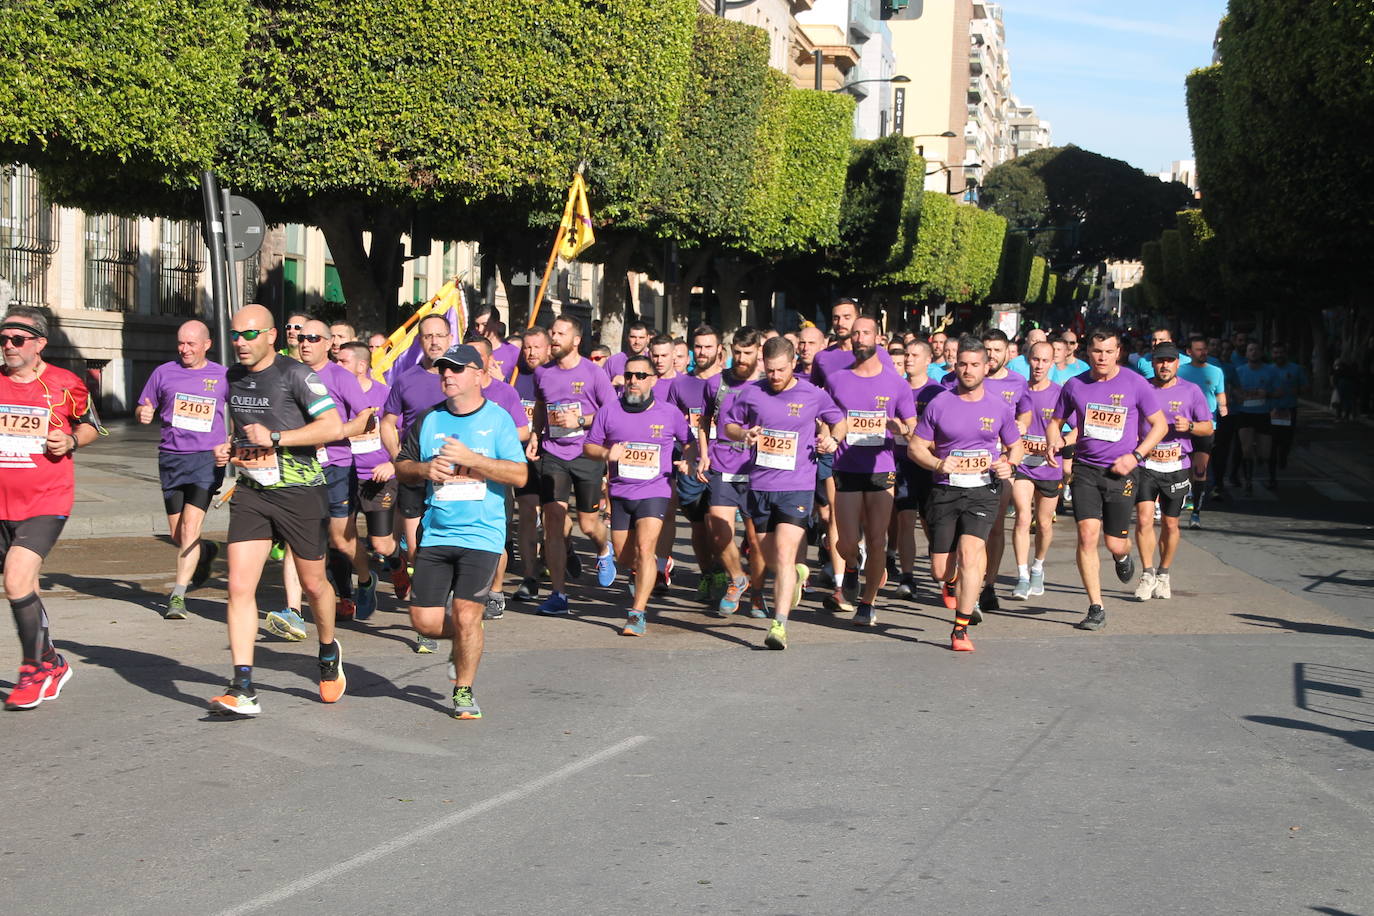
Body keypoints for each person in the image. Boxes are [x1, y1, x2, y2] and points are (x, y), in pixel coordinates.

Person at [209, 304, 345, 716]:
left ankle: (326, 649)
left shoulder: (296, 374)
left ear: (271, 336)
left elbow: (333, 427)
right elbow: (244, 427)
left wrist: (277, 437)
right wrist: (230, 448)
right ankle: (243, 686)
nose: (241, 343)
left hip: (301, 491)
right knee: (238, 586)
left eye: (250, 334)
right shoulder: (232, 377)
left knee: (315, 584)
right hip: (252, 491)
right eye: (235, 335)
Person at [395, 344, 527, 719]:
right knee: (424, 621)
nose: (447, 375)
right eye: (442, 370)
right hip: (437, 532)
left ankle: (463, 691)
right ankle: (465, 642)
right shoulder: (428, 420)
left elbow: (519, 474)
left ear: (478, 375)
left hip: (482, 534)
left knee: (468, 615)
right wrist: (424, 471)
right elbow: (402, 465)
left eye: (455, 369)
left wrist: (473, 461)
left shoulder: (498, 419)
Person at [1, 307, 100, 709]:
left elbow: (93, 424)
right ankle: (50, 660)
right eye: (3, 340)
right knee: (24, 585)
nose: (8, 346)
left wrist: (72, 441)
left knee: (16, 579)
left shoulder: (64, 384)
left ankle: (35, 670)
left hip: (46, 499)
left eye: (17, 340)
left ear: (39, 344)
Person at [723, 336, 847, 649]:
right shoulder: (751, 392)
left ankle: (778, 626)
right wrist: (745, 433)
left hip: (797, 486)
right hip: (760, 486)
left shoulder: (812, 394)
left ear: (793, 364)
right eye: (771, 370)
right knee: (769, 558)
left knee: (784, 552)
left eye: (781, 370)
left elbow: (839, 421)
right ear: (763, 365)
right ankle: (796, 573)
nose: (776, 376)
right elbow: (728, 426)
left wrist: (832, 440)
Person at [1046, 327, 1167, 632]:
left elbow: (1160, 426)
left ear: (1118, 352)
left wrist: (1136, 456)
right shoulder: (1075, 385)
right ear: (1088, 352)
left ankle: (1123, 557)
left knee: (1115, 542)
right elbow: (1056, 421)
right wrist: (1052, 441)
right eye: (1097, 351)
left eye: (1108, 351)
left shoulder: (1135, 384)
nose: (1102, 357)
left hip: (1121, 470)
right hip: (1085, 469)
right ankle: (1096, 607)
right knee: (1087, 535)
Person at [908, 337, 1022, 652]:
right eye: (962, 364)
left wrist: (1008, 465)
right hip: (945, 491)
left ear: (987, 367)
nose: (968, 370)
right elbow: (916, 447)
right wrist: (939, 463)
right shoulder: (939, 404)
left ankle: (960, 628)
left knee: (972, 554)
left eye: (974, 365)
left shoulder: (998, 407)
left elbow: (1016, 446)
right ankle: (950, 581)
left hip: (983, 491)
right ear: (955, 365)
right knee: (941, 569)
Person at [585, 354, 694, 635]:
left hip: (655, 490)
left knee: (646, 549)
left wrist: (689, 460)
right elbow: (589, 447)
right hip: (621, 493)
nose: (634, 381)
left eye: (641, 376)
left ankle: (637, 613)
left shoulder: (668, 413)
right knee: (624, 556)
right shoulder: (609, 411)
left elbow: (689, 442)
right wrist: (608, 453)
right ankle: (640, 571)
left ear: (653, 381)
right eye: (630, 375)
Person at [823, 316, 915, 626]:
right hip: (846, 466)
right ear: (850, 339)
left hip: (882, 469)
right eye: (856, 333)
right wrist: (827, 434)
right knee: (847, 541)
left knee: (878, 541)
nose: (861, 338)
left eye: (867, 333)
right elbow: (826, 418)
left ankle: (867, 602)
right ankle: (850, 566)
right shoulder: (837, 380)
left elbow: (913, 428)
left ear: (878, 338)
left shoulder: (896, 383)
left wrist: (900, 428)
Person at [134, 319, 229, 619]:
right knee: (179, 534)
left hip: (205, 459)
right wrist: (144, 412)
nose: (184, 349)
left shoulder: (223, 375)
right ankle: (207, 550)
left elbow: (240, 412)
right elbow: (143, 405)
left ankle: (177, 596)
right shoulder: (163, 372)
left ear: (206, 345)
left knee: (190, 528)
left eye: (191, 344)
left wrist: (229, 444)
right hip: (172, 459)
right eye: (181, 343)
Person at [531, 315, 617, 614]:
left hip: (586, 453)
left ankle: (604, 549)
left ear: (576, 340)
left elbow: (610, 410)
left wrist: (580, 420)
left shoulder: (594, 373)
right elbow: (541, 406)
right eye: (552, 332)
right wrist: (535, 434)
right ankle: (558, 594)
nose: (553, 338)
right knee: (553, 523)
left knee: (588, 523)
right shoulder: (542, 373)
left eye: (560, 333)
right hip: (554, 453)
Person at [298, 319, 376, 621]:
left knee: (339, 538)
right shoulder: (289, 373)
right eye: (302, 337)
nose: (306, 343)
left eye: (314, 338)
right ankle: (299, 606)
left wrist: (332, 432)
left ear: (329, 343)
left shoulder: (341, 377)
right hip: (300, 465)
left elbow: (366, 416)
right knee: (302, 536)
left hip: (336, 465)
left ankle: (366, 579)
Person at [380, 313, 452, 632]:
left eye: (439, 335)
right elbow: (387, 422)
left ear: (450, 339)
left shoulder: (459, 379)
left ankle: (442, 601)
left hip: (453, 475)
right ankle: (426, 617)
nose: (434, 341)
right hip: (414, 472)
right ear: (419, 341)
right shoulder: (406, 379)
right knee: (418, 548)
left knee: (447, 544)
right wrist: (398, 458)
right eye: (427, 336)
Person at [953, 329, 1027, 611]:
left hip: (997, 467)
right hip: (959, 471)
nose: (993, 354)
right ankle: (962, 579)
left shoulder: (1018, 383)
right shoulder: (959, 379)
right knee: (963, 534)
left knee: (994, 528)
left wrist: (1012, 452)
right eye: (988, 349)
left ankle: (988, 585)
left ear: (1007, 352)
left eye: (998, 349)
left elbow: (1025, 415)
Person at [1133, 342, 1213, 601]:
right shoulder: (1142, 388)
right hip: (1146, 463)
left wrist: (1189, 425)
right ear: (1153, 363)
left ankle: (1164, 574)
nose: (1164, 365)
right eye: (1159, 361)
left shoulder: (1191, 391)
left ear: (1178, 362)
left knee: (1170, 523)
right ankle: (1147, 573)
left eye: (1169, 360)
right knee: (1144, 518)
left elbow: (1207, 428)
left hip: (1177, 465)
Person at [699, 327, 767, 616]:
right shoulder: (716, 384)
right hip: (723, 463)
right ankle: (737, 578)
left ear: (759, 353)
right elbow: (704, 422)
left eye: (747, 353)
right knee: (718, 528)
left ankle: (758, 595)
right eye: (737, 352)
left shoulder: (768, 385)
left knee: (756, 540)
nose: (741, 358)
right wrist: (703, 455)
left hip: (759, 470)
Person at [467, 337, 533, 619]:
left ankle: (495, 591)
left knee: (494, 536)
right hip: (459, 478)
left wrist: (491, 443)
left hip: (495, 475)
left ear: (488, 360)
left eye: (475, 356)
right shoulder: (454, 391)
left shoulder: (504, 392)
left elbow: (523, 431)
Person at [333, 340, 394, 618]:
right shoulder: (333, 395)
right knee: (339, 538)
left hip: (377, 475)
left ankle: (396, 562)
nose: (337, 366)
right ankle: (347, 596)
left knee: (381, 543)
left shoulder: (384, 394)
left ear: (361, 365)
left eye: (343, 362)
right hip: (344, 473)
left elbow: (400, 435)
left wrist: (391, 463)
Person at [1010, 340, 1070, 601]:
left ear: (1053, 362)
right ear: (1028, 359)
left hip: (1049, 466)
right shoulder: (1017, 390)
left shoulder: (1061, 393)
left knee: (1044, 523)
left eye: (1045, 361)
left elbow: (1078, 428)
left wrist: (1061, 442)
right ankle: (1022, 575)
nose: (1039, 366)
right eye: (1035, 359)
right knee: (1023, 518)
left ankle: (1037, 567)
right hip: (1022, 465)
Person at [669, 325, 725, 602]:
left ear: (719, 350)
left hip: (723, 463)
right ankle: (708, 573)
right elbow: (672, 422)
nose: (702, 352)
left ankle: (726, 570)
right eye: (698, 347)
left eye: (708, 347)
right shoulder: (680, 384)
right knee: (698, 525)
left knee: (718, 521)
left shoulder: (729, 384)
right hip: (690, 465)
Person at [892, 339, 945, 598]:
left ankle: (941, 570)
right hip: (900, 462)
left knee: (930, 522)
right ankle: (907, 576)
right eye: (906, 354)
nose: (909, 359)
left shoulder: (937, 392)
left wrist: (912, 434)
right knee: (905, 518)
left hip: (928, 464)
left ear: (927, 360)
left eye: (915, 355)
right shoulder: (894, 388)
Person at [512, 327, 552, 602]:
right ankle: (529, 577)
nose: (531, 352)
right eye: (527, 347)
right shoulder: (514, 376)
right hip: (519, 454)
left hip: (554, 453)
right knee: (526, 512)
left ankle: (559, 550)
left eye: (537, 347)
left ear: (549, 349)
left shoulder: (556, 375)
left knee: (554, 516)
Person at [1176, 335, 1226, 528]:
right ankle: (1185, 494)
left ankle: (1196, 512)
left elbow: (1220, 394)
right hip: (1183, 425)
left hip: (1206, 426)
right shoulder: (1180, 371)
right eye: (1198, 349)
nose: (1203, 353)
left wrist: (1223, 407)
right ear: (1189, 352)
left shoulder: (1216, 372)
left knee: (1200, 469)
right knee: (1183, 466)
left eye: (1204, 349)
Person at [806, 298, 898, 390]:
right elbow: (815, 395)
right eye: (836, 318)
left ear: (857, 319)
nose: (840, 323)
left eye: (847, 317)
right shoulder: (821, 357)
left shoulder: (878, 353)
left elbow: (893, 388)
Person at [1232, 341, 1279, 495]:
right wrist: (1238, 395)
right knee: (1246, 450)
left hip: (1263, 414)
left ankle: (1259, 459)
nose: (1253, 352)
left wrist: (1268, 394)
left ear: (1261, 353)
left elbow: (1279, 392)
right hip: (1244, 414)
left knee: (1265, 453)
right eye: (1250, 350)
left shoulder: (1270, 371)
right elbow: (1231, 390)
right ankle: (1248, 481)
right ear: (1246, 353)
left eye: (1257, 349)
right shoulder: (1239, 371)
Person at [1267, 342, 1307, 488]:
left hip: (1289, 411)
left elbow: (1305, 387)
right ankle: (1272, 477)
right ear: (1272, 355)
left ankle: (1283, 457)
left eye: (1281, 352)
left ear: (1286, 354)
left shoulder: (1296, 369)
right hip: (1272, 411)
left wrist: (1297, 390)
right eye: (1275, 353)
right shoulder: (1268, 370)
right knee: (1272, 444)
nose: (1278, 355)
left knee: (1286, 442)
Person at [605, 321, 653, 387]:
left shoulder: (653, 361)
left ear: (648, 339)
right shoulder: (613, 361)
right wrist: (612, 384)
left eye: (641, 337)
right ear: (626, 337)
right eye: (633, 337)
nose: (637, 342)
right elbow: (601, 391)